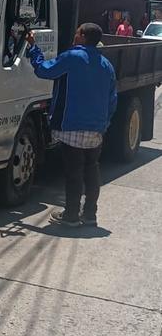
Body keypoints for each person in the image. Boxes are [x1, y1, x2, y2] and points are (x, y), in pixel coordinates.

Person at [26, 23, 117, 227]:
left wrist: (33, 46)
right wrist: (105, 123)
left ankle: (71, 216)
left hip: (73, 126)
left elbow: (43, 70)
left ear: (83, 36)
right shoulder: (106, 65)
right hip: (96, 129)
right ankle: (90, 215)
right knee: (91, 170)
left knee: (74, 173)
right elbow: (113, 100)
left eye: (77, 32)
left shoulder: (72, 57)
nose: (74, 35)